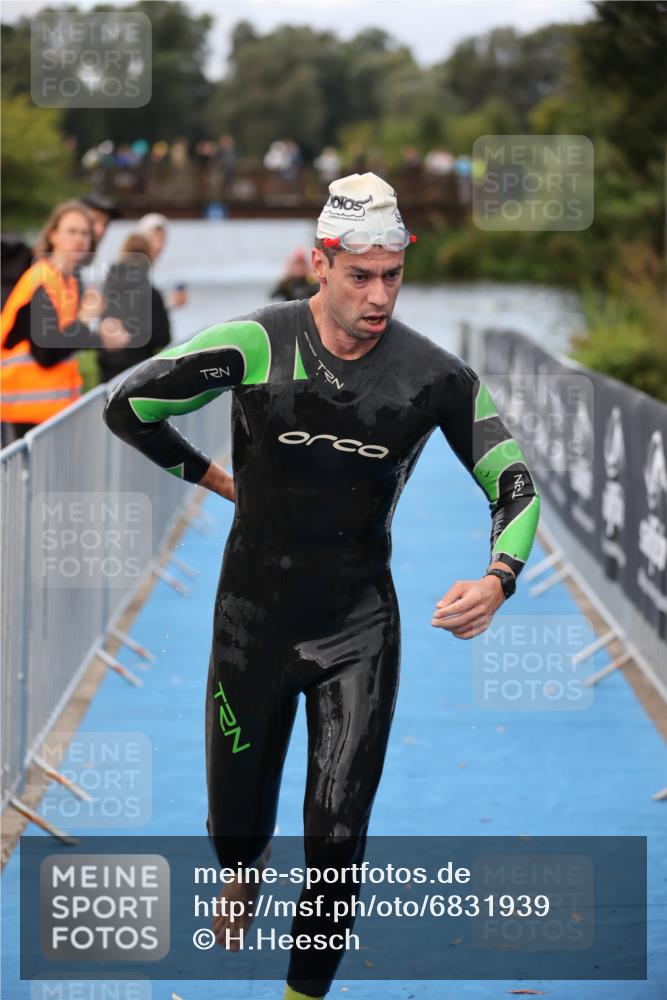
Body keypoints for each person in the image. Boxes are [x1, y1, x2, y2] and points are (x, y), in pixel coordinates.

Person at [103, 173, 540, 1000]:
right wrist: (209, 476)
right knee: (235, 829)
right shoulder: (257, 341)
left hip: (358, 627)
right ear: (319, 264)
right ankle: (242, 868)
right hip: (251, 621)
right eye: (359, 275)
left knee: (337, 840)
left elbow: (514, 484)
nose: (379, 295)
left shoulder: (434, 377)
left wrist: (499, 578)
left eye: (394, 274)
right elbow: (128, 409)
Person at [1, 200, 126, 446]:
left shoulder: (67, 281)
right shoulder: (42, 281)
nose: (79, 239)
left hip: (48, 410)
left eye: (85, 233)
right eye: (71, 231)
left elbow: (62, 339)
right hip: (24, 411)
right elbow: (46, 353)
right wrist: (84, 319)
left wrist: (100, 337)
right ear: (53, 235)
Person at [96, 232, 172, 384]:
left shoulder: (107, 287)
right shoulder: (151, 293)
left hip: (107, 370)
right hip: (138, 370)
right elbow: (163, 337)